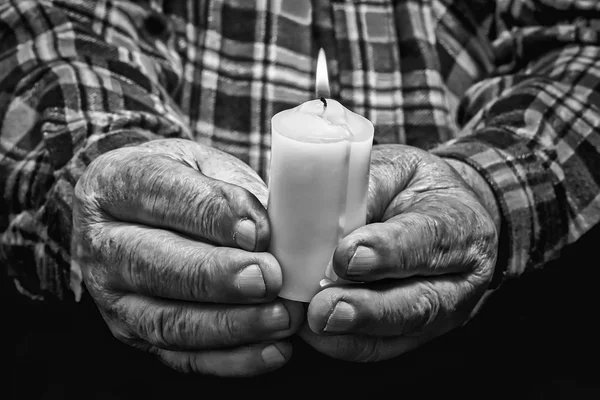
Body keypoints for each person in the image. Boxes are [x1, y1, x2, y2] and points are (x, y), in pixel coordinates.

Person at [1, 0, 599, 380]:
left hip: (485, 348)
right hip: (117, 360)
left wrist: (483, 184)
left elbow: (582, 38)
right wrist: (116, 165)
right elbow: (52, 22)